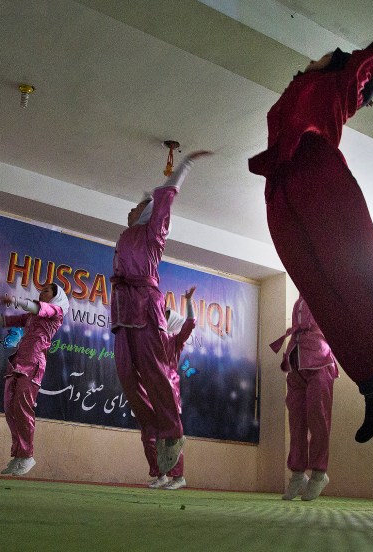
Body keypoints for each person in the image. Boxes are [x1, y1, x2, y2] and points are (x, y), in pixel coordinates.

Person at [248, 35, 373, 446]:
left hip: (322, 178)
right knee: (322, 296)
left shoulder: (339, 86)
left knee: (361, 280)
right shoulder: (296, 90)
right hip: (282, 191)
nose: (313, 56)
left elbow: (366, 58)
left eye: (363, 98)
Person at [110, 150, 211, 475]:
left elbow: (165, 196)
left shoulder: (154, 233)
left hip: (145, 306)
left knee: (155, 374)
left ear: (148, 213)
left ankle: (172, 435)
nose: (130, 208)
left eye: (136, 205)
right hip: (123, 311)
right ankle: (157, 433)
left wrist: (185, 165)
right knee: (126, 375)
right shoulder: (126, 235)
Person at [0, 283, 68, 476]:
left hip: (34, 362)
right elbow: (6, 320)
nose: (41, 293)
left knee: (23, 407)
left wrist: (14, 300)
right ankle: (18, 456)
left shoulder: (57, 311)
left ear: (56, 296)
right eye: (41, 290)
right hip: (18, 361)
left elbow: (38, 307)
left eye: (46, 291)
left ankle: (28, 456)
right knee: (10, 408)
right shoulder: (32, 316)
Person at [270, 295, 338, 501]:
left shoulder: (325, 294)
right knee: (296, 421)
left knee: (318, 417)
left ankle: (319, 473)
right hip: (296, 359)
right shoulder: (299, 299)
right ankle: (298, 475)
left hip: (319, 358)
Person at [145, 286, 196, 491]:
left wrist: (189, 301)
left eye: (165, 316)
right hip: (154, 387)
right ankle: (162, 475)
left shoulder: (175, 340)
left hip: (170, 388)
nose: (161, 319)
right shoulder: (152, 339)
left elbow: (190, 323)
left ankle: (179, 477)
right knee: (157, 435)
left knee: (172, 435)